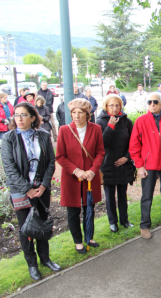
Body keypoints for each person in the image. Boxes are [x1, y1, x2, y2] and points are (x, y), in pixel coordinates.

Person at [1, 102, 60, 280]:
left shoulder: (42, 135)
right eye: (16, 115)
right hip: (21, 190)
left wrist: (43, 185)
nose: (18, 118)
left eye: (23, 115)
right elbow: (9, 168)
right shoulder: (8, 138)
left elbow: (51, 161)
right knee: (25, 228)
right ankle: (32, 264)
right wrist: (27, 189)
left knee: (41, 222)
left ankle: (45, 259)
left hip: (41, 188)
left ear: (33, 117)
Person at [56, 98, 105, 254]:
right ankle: (78, 241)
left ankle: (88, 237)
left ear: (87, 114)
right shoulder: (64, 130)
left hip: (90, 177)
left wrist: (92, 170)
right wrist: (76, 170)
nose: (76, 116)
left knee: (89, 209)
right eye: (73, 113)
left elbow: (100, 152)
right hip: (71, 178)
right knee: (73, 212)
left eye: (80, 113)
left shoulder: (96, 129)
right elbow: (60, 156)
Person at [129, 92, 161, 238]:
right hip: (149, 165)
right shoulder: (141, 121)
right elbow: (134, 147)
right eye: (150, 102)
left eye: (155, 102)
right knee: (147, 196)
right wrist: (139, 166)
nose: (152, 104)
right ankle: (144, 225)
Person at [96, 95, 135, 233]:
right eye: (111, 105)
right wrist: (111, 126)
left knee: (122, 194)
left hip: (123, 164)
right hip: (108, 164)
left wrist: (127, 157)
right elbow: (101, 144)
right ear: (106, 106)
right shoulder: (100, 122)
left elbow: (133, 143)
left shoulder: (126, 121)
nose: (114, 108)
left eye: (117, 105)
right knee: (110, 196)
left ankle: (124, 220)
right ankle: (113, 222)